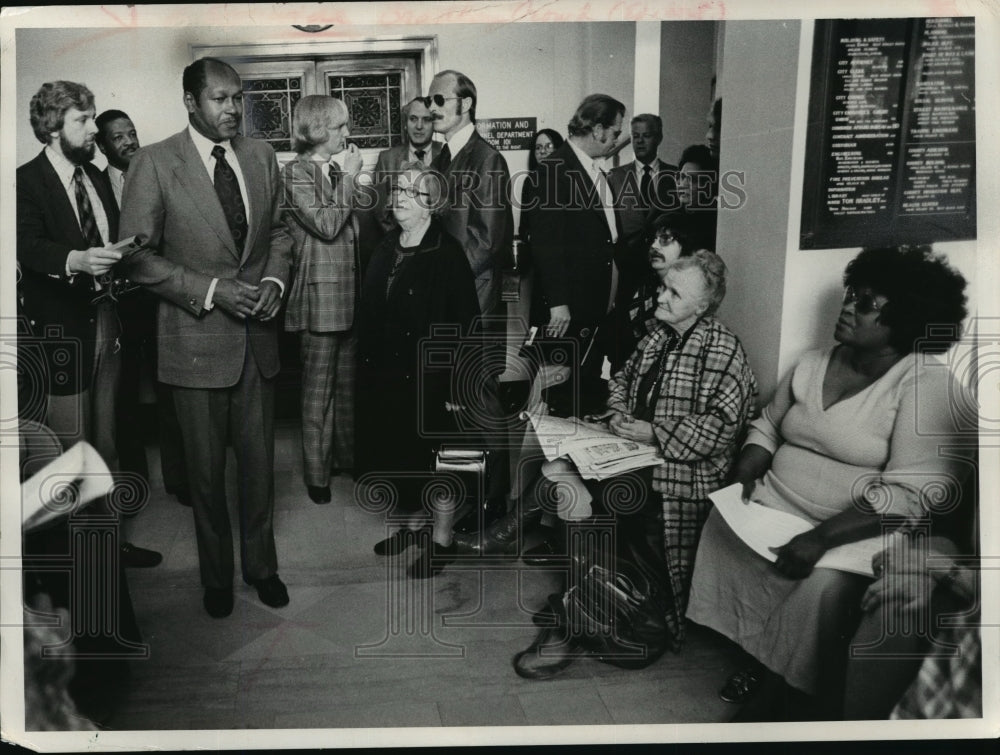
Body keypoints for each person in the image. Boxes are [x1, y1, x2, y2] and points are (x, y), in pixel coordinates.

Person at [686, 246, 970, 719]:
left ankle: (785, 684)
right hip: (778, 504)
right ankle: (759, 652)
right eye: (850, 294)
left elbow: (910, 495)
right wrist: (740, 482)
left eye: (865, 303)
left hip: (859, 529)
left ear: (906, 319)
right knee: (720, 525)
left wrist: (819, 538)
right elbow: (767, 427)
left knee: (820, 584)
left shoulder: (926, 385)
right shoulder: (814, 362)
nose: (847, 307)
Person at [509, 251, 758, 678]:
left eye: (673, 293)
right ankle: (581, 604)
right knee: (558, 476)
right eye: (663, 287)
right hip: (634, 451)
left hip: (680, 470)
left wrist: (656, 432)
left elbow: (724, 428)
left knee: (573, 485)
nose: (660, 297)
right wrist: (622, 414)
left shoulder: (723, 349)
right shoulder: (658, 336)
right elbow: (621, 379)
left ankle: (571, 612)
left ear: (702, 306)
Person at [119, 57, 294, 618]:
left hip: (257, 341)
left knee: (258, 469)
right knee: (205, 475)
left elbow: (283, 231)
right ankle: (217, 577)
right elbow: (136, 259)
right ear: (191, 102)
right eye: (220, 99)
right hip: (194, 341)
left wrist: (273, 278)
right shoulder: (153, 162)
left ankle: (262, 568)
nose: (232, 109)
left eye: (238, 98)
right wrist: (213, 289)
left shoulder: (261, 155)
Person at [17, 82, 161, 569]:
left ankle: (110, 545)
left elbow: (112, 233)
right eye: (82, 120)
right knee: (70, 449)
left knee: (108, 441)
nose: (92, 130)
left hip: (107, 321)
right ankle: (76, 561)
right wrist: (76, 259)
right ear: (54, 126)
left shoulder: (96, 178)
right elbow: (27, 245)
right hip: (63, 332)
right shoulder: (24, 181)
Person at [355, 167, 481, 579]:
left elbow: (465, 323)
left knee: (438, 460)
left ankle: (442, 539)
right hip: (388, 375)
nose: (400, 195)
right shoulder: (386, 244)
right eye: (398, 188)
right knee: (399, 453)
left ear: (432, 203)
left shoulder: (446, 252)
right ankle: (412, 527)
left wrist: (456, 385)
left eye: (412, 190)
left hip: (431, 377)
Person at [427, 69, 513, 525]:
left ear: (467, 104)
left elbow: (488, 240)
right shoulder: (443, 157)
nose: (432, 108)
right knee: (455, 405)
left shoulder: (487, 159)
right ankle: (460, 501)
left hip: (474, 303)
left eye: (441, 100)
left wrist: (447, 289)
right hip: (449, 302)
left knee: (480, 400)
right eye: (430, 99)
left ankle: (493, 498)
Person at [96, 108, 190, 508]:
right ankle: (134, 484)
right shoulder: (94, 186)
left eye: (132, 132)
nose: (129, 141)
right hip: (117, 308)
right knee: (123, 401)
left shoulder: (156, 171)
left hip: (157, 300)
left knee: (171, 390)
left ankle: (181, 480)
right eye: (118, 137)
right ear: (102, 146)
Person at [280, 95, 363, 504]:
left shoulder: (335, 170)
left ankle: (346, 460)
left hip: (349, 294)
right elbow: (329, 225)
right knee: (318, 393)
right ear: (317, 131)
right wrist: (350, 177)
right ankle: (317, 475)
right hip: (319, 300)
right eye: (340, 127)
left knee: (347, 388)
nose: (347, 134)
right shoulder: (293, 174)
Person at [527, 93, 626, 416]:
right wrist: (558, 303)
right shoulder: (554, 171)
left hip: (597, 304)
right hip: (570, 309)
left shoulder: (595, 171)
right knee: (564, 391)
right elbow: (546, 242)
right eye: (614, 131)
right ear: (597, 130)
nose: (615, 139)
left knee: (587, 383)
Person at [608, 114, 678, 320]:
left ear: (659, 137)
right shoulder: (615, 177)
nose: (639, 141)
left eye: (646, 135)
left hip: (666, 269)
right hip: (626, 269)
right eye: (635, 136)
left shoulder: (675, 176)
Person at [373, 97, 442, 235]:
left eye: (427, 119)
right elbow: (381, 212)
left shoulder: (447, 154)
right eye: (413, 119)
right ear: (405, 123)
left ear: (434, 124)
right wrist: (404, 240)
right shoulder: (387, 159)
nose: (419, 126)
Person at [516, 128, 564, 258]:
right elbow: (524, 225)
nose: (543, 151)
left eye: (549, 146)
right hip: (538, 254)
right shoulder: (530, 181)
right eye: (538, 147)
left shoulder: (570, 179)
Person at [676, 143, 718, 252]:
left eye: (693, 179)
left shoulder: (716, 224)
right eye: (681, 177)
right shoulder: (668, 219)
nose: (683, 184)